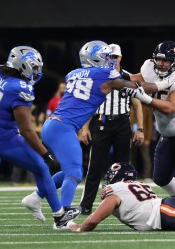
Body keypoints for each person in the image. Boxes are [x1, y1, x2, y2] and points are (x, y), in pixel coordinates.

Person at [21, 41, 148, 225]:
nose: (109, 60)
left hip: (53, 126)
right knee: (74, 172)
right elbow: (135, 85)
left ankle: (35, 197)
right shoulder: (104, 74)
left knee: (68, 171)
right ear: (95, 58)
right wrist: (159, 85)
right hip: (63, 127)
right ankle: (62, 217)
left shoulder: (74, 73)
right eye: (106, 56)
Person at [0, 47, 79, 229]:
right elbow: (27, 130)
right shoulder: (20, 88)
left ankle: (52, 212)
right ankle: (60, 217)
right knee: (41, 167)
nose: (37, 72)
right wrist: (45, 154)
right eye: (33, 68)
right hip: (1, 138)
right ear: (22, 65)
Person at [124, 41, 175, 206]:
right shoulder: (148, 67)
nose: (160, 64)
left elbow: (170, 108)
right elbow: (138, 79)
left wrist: (142, 96)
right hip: (167, 131)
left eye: (166, 60)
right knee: (161, 178)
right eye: (158, 59)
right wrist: (119, 78)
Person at [77, 43, 145, 215]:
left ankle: (129, 204)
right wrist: (84, 128)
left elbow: (137, 105)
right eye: (110, 57)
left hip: (122, 123)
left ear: (120, 58)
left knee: (124, 166)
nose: (112, 60)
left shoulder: (128, 77)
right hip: (102, 122)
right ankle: (85, 205)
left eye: (115, 57)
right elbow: (90, 104)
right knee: (95, 166)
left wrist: (140, 129)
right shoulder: (98, 75)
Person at [68, 162, 175, 232]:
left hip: (162, 212)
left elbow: (93, 221)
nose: (108, 181)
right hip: (166, 207)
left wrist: (80, 228)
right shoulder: (136, 184)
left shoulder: (115, 190)